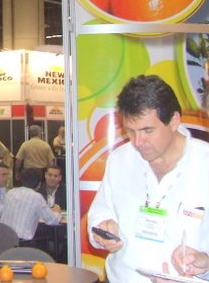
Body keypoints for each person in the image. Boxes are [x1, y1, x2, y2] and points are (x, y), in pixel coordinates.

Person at [88, 75, 209, 283]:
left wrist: (205, 265)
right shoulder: (119, 159)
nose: (138, 142)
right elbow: (100, 213)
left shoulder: (204, 163)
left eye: (147, 130)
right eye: (130, 131)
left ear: (174, 121)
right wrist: (102, 229)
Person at [0, 168, 62, 242]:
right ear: (39, 184)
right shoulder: (36, 197)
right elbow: (52, 220)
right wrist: (57, 212)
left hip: (2, 238)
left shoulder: (10, 192)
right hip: (21, 242)